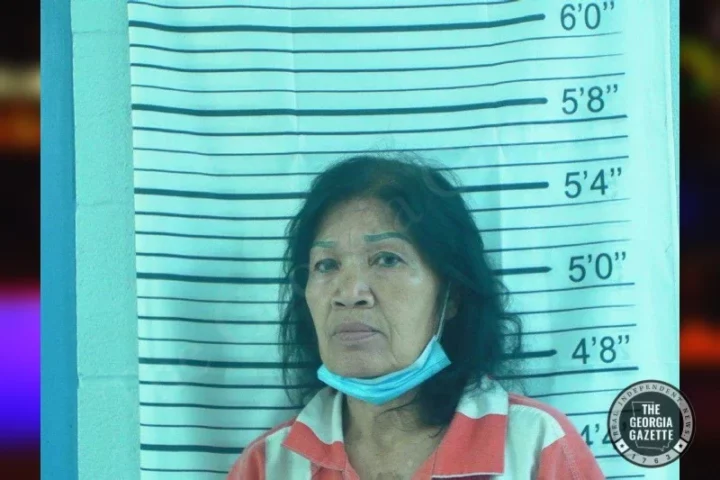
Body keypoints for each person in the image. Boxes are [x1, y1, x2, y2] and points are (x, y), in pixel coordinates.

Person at [227, 153, 605, 479]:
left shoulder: (537, 446)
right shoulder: (270, 464)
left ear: (452, 295)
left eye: (387, 259)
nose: (349, 294)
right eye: (326, 264)